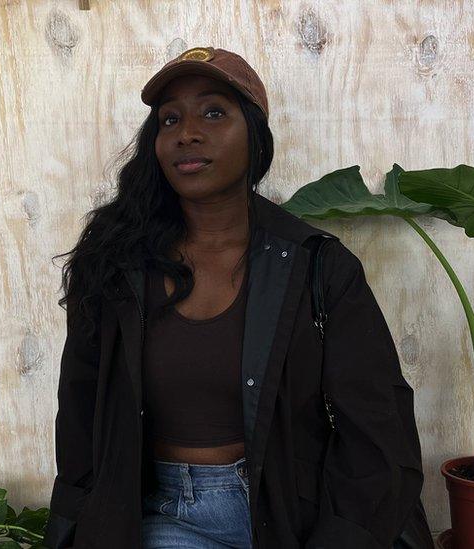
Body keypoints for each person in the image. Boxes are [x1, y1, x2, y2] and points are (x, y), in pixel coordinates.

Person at [44, 46, 432, 549]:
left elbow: (378, 430)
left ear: (256, 135)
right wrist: (77, 521)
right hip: (161, 515)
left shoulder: (318, 265)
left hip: (295, 517)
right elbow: (79, 410)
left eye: (213, 112)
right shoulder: (115, 264)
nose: (187, 132)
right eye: (169, 119)